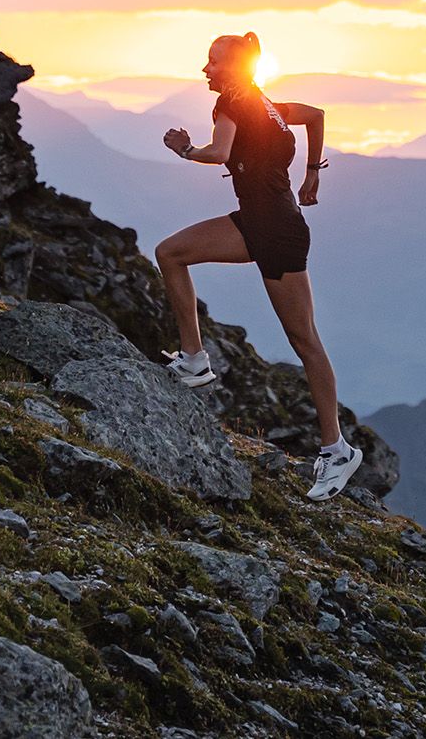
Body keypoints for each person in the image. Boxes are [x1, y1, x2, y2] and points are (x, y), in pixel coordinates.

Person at [154, 32, 363, 501]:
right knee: (171, 252)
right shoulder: (265, 102)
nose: (206, 69)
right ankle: (194, 360)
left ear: (234, 67)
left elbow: (220, 153)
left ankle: (337, 450)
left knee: (305, 340)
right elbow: (316, 116)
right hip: (262, 222)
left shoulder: (230, 104)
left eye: (213, 62)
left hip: (275, 232)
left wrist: (184, 150)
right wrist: (311, 172)